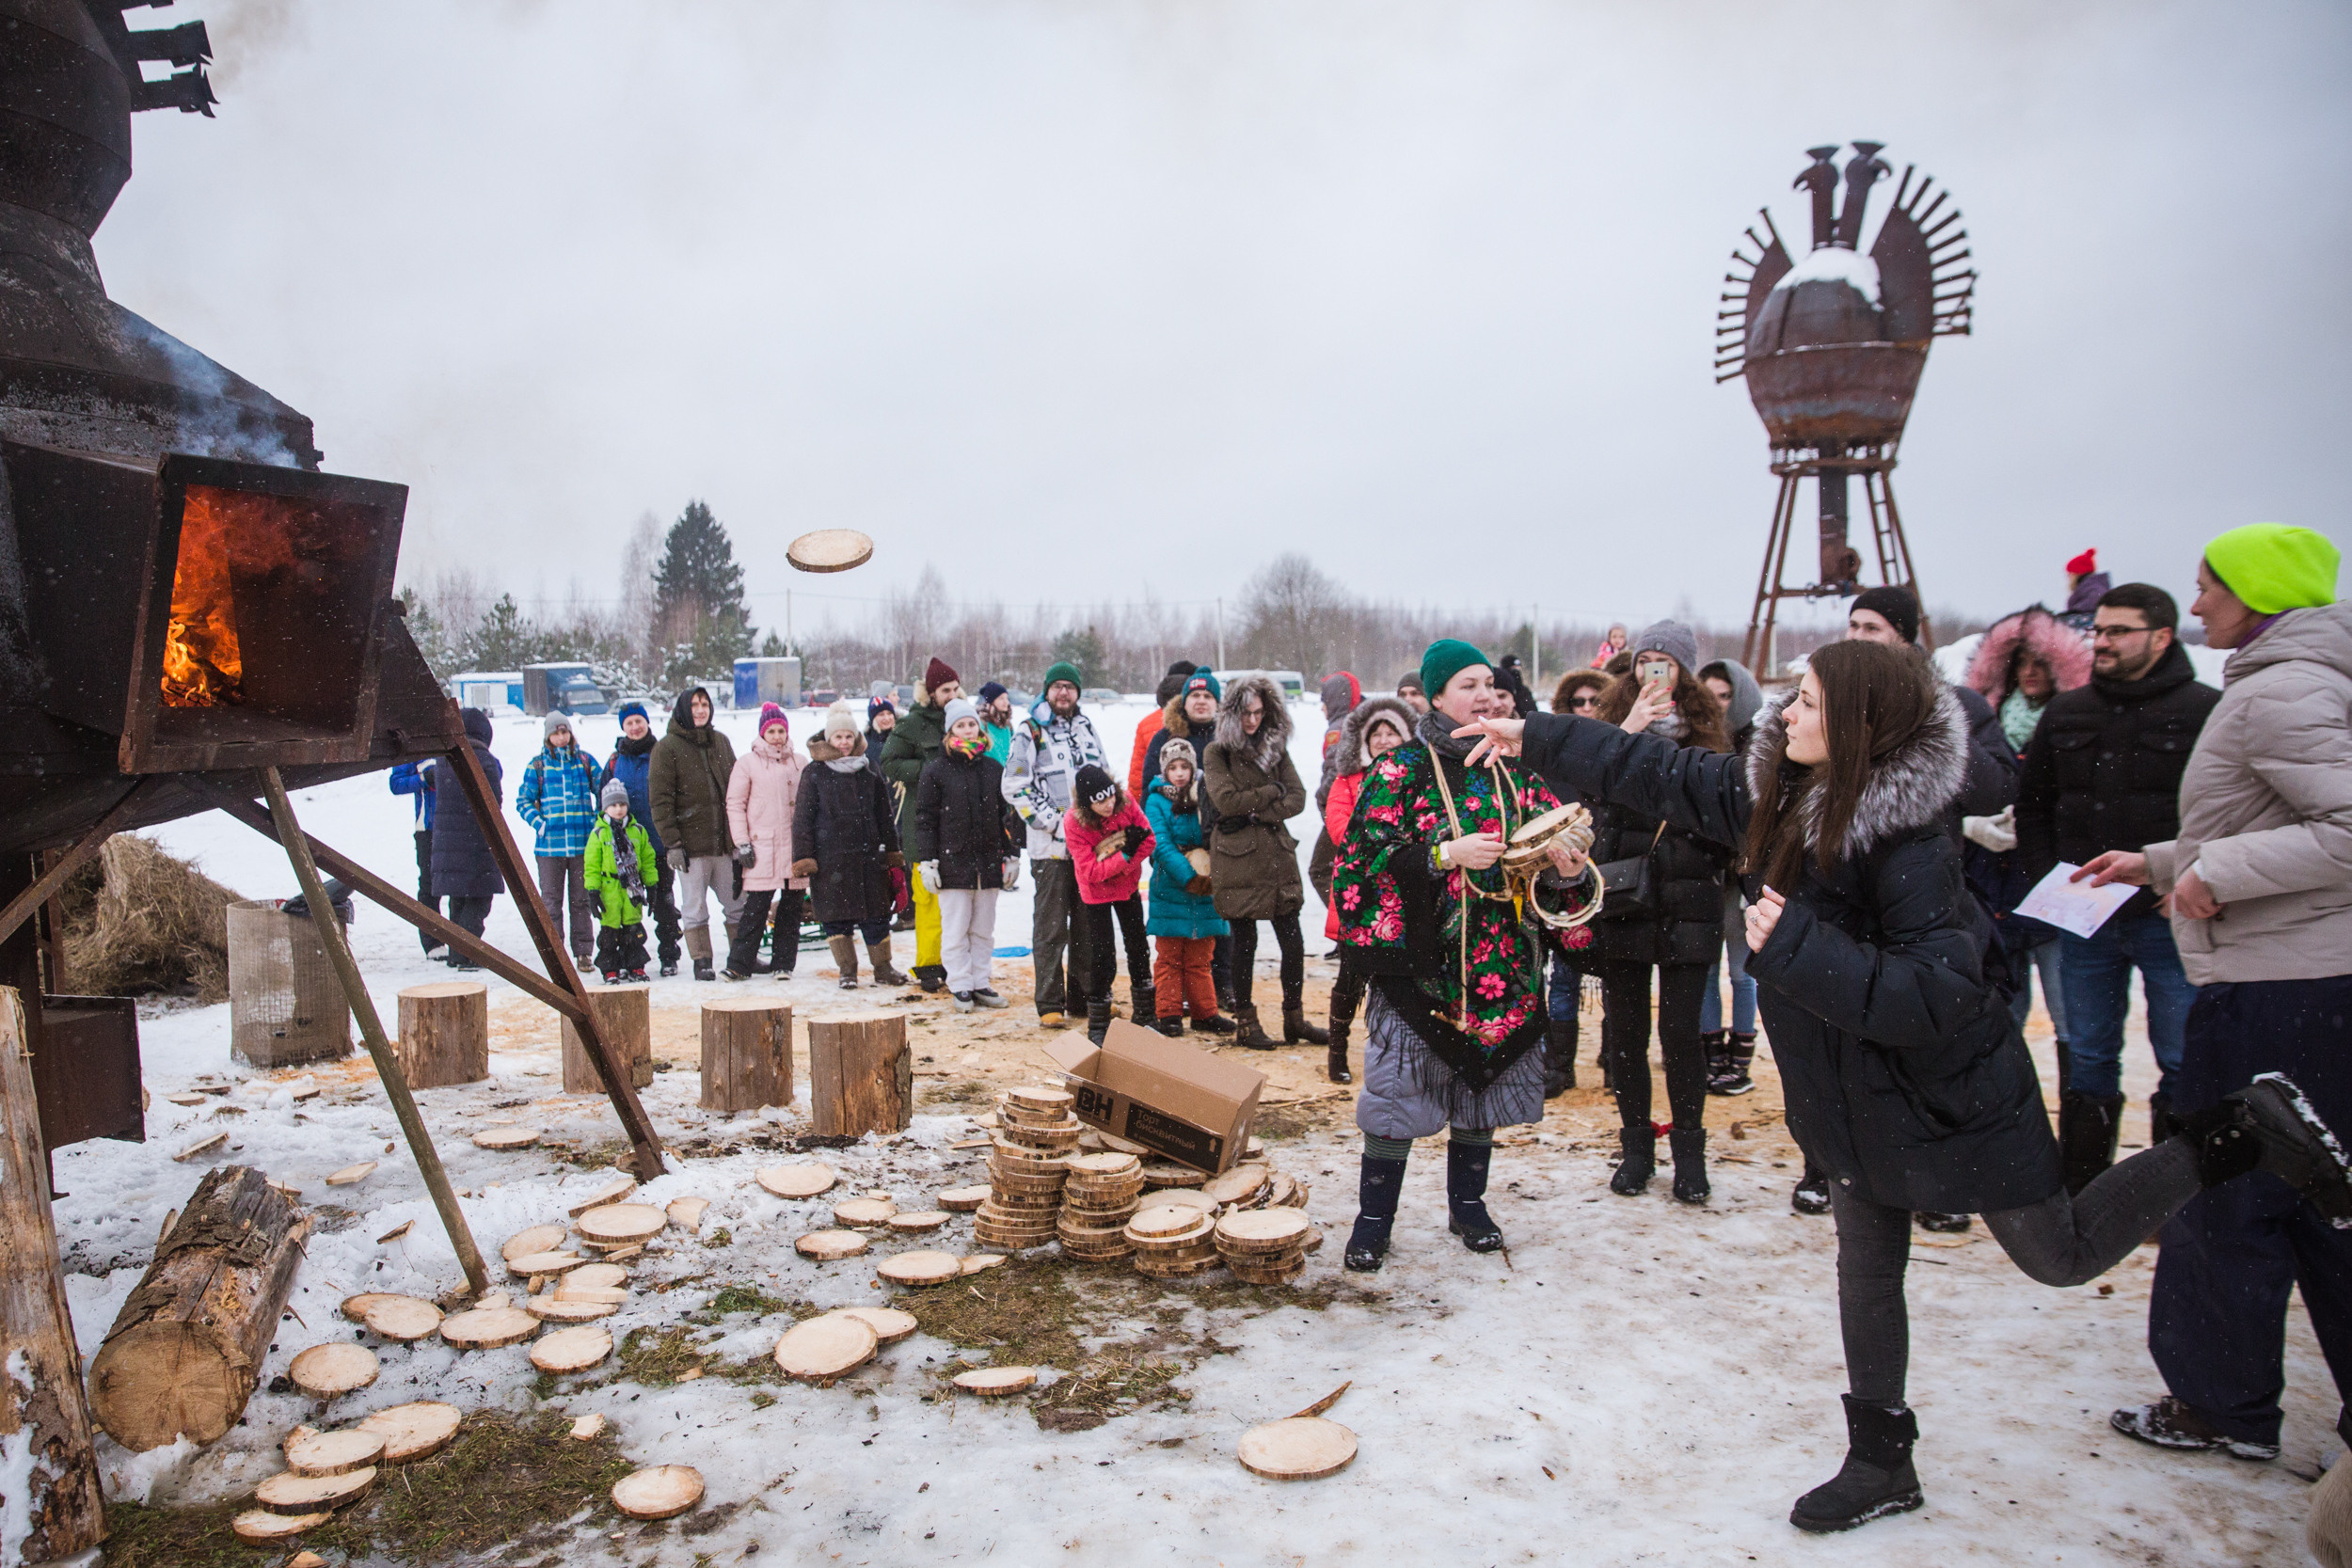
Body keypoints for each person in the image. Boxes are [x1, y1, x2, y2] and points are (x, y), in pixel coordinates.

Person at [1459, 636, 2352, 1533]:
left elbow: (1944, 991)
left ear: (1857, 723)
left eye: (1805, 701)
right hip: (1842, 1088)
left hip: (1946, 1093)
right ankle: (1881, 1458)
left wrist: (1798, 947)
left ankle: (2236, 1134)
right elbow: (1659, 769)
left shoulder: (1906, 839)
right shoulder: (1780, 788)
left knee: (2061, 1255)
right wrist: (1531, 732)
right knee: (1867, 1268)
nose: (1784, 714)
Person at [2072, 525, 2351, 1465]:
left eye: (2206, 587)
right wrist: (2156, 859)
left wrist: (2221, 867)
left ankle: (2218, 1401)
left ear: (2257, 591)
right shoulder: (2294, 683)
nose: (2195, 607)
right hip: (2303, 980)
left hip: (2276, 986)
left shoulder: (2283, 693)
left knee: (2224, 1186)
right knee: (2323, 1190)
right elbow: (2288, 818)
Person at [1330, 640, 1597, 1271]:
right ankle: (1374, 1218)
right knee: (1395, 1097)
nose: (1485, 695)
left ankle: (1468, 1204)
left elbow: (1551, 863)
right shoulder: (1399, 771)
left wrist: (1566, 867)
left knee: (1482, 1088)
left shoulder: (1518, 774)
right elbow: (1356, 866)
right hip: (1422, 971)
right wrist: (1441, 855)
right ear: (1437, 694)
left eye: (1491, 685)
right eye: (1467, 684)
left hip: (1501, 965)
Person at [2019, 585, 2214, 1185]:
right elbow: (2033, 808)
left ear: (2161, 637)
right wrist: (2050, 882)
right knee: (2089, 1055)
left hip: (2171, 917)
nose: (2101, 641)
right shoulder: (2068, 711)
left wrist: (2184, 878)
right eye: (2097, 630)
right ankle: (2086, 1191)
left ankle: (2173, 1192)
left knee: (2183, 1057)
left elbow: (2227, 815)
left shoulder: (2206, 710)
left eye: (2118, 631)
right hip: (2088, 917)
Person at [1841, 583, 2020, 1231]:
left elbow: (1996, 786)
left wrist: (1924, 723)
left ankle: (1942, 1180)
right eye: (1853, 626)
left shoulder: (1954, 704)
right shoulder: (1830, 706)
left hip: (1927, 898)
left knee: (1933, 1042)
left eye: (1874, 628)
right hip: (1849, 901)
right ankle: (1841, 1167)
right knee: (1854, 1043)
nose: (1860, 637)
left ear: (1906, 638)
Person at [1584, 621, 1733, 1203]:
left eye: (1665, 662)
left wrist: (1699, 841)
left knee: (1681, 1034)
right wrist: (1628, 734)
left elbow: (1729, 818)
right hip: (1627, 897)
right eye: (1645, 659)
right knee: (1626, 1033)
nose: (1653, 670)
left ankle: (1690, 1154)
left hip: (1691, 900)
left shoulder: (1709, 734)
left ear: (1684, 671)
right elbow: (1590, 805)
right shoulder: (1613, 726)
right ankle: (1636, 1148)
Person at [1203, 674, 1328, 1051]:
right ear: (1232, 713)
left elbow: (1299, 798)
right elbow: (1225, 801)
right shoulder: (1217, 752)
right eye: (1245, 713)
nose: (1252, 721)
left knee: (1292, 942)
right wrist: (1271, 792)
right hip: (1238, 860)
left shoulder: (1276, 748)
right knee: (1244, 943)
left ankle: (1295, 1020)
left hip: (1275, 856)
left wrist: (1257, 810)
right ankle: (1246, 1022)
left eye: (1259, 712)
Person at [1003, 661, 1106, 1026]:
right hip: (1051, 848)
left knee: (1087, 927)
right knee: (1050, 928)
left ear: (1077, 693)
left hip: (1089, 849)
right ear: (1047, 691)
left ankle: (1083, 998)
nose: (1064, 693)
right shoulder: (1029, 731)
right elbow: (1014, 784)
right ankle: (1049, 1003)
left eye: (1070, 687)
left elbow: (1104, 778)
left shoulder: (1086, 727)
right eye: (1057, 686)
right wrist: (1056, 823)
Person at [1320, 696, 1415, 1084]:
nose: (1385, 740)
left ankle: (1391, 1054)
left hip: (1403, 889)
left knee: (1397, 980)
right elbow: (1340, 828)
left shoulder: (1418, 779)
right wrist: (1388, 844)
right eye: (1378, 734)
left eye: (1392, 732)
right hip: (1358, 892)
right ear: (1365, 740)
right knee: (1350, 975)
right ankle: (1337, 1051)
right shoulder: (1346, 781)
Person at [914, 697, 1020, 1010]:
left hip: (987, 864)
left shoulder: (992, 768)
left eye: (972, 724)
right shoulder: (937, 771)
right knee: (956, 929)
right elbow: (925, 819)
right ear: (950, 732)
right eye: (961, 725)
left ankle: (981, 981)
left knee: (983, 929)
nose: (968, 730)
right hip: (952, 863)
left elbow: (1007, 817)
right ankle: (960, 983)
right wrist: (928, 862)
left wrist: (1011, 853)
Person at [792, 702, 905, 989]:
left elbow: (884, 815)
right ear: (829, 739)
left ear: (856, 738)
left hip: (868, 858)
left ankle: (883, 967)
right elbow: (803, 818)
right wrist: (804, 856)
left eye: (848, 737)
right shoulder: (814, 773)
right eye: (838, 737)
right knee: (836, 918)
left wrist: (891, 851)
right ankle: (847, 970)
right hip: (830, 859)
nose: (844, 743)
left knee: (876, 915)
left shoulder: (869, 770)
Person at [1697, 657, 1767, 1094]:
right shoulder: (1695, 742)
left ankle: (1740, 1061)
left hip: (1744, 876)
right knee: (1704, 970)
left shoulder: (1761, 749)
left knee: (1743, 973)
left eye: (1725, 695)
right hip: (1703, 873)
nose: (1718, 706)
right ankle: (1711, 1055)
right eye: (1709, 696)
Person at [1543, 670, 1613, 1093]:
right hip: (1565, 878)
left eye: (1594, 701)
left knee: (1617, 978)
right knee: (1564, 975)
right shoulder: (1556, 758)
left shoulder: (1618, 755)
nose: (1585, 708)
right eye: (1577, 702)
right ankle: (1559, 1066)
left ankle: (1615, 1059)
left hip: (1615, 878)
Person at [649, 686, 745, 981]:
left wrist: (740, 837)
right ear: (682, 709)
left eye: (705, 704)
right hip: (691, 847)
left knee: (738, 903)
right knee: (694, 906)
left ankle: (742, 956)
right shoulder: (667, 748)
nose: (701, 709)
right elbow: (661, 800)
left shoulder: (721, 742)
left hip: (725, 844)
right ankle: (701, 959)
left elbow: (737, 790)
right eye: (694, 705)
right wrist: (673, 844)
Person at [882, 657, 962, 992]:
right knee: (928, 899)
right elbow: (889, 761)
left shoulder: (962, 719)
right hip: (922, 824)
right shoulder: (913, 724)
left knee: (957, 901)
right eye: (946, 690)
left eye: (956, 688)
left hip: (958, 825)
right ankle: (929, 965)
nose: (953, 694)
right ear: (931, 693)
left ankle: (956, 961)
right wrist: (929, 772)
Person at [1142, 737, 1232, 1037]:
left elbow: (1217, 831)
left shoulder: (1207, 794)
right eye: (1173, 767)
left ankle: (1204, 1012)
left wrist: (1212, 871)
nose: (1180, 773)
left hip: (1208, 885)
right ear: (1164, 771)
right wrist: (1189, 877)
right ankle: (1168, 1013)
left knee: (1200, 957)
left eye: (1185, 767)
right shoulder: (1156, 800)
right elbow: (1160, 843)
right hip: (1171, 887)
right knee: (1169, 957)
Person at [1064, 763, 1156, 1042]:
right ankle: (1099, 1023)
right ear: (1086, 804)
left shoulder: (1125, 802)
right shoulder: (1073, 821)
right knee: (1101, 954)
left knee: (1138, 946)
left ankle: (1145, 1015)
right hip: (1095, 894)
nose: (1108, 804)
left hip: (1127, 887)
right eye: (1099, 801)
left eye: (1110, 796)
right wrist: (1126, 855)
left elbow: (1149, 840)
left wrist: (1122, 864)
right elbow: (1090, 872)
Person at [723, 702, 810, 982]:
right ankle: (739, 964)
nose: (776, 736)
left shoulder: (800, 762)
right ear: (762, 733)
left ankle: (783, 963)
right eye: (770, 731)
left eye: (780, 730)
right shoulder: (747, 763)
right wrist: (742, 843)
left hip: (795, 849)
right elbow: (735, 804)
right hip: (762, 847)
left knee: (792, 907)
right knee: (756, 908)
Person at [602, 701, 683, 976]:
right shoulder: (615, 761)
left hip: (659, 844)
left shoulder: (663, 753)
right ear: (623, 727)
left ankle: (669, 955)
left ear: (647, 723)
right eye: (629, 723)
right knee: (627, 907)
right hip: (626, 849)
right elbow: (603, 802)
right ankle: (629, 958)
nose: (635, 727)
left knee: (664, 904)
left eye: (639, 721)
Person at [516, 712, 601, 968]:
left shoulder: (584, 761)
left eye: (565, 732)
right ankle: (555, 954)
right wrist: (540, 824)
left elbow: (604, 790)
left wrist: (596, 822)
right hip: (549, 848)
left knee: (581, 900)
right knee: (551, 903)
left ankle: (584, 952)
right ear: (548, 736)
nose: (561, 737)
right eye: (556, 733)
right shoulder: (537, 766)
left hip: (581, 846)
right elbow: (523, 801)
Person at [431, 708, 504, 965]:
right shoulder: (484, 759)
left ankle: (456, 953)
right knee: (479, 899)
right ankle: (468, 954)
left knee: (458, 899)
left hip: (447, 844)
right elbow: (495, 803)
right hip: (477, 843)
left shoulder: (444, 760)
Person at [583, 779, 658, 983]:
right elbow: (591, 866)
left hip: (632, 890)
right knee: (609, 935)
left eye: (622, 804)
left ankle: (635, 966)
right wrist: (593, 891)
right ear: (605, 807)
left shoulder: (638, 831)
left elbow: (648, 860)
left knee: (633, 933)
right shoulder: (599, 834)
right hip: (609, 890)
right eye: (613, 805)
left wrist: (651, 885)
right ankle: (610, 968)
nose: (618, 809)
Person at [389, 758, 441, 957]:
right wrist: (424, 778)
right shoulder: (416, 748)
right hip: (426, 828)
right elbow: (396, 783)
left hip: (455, 827)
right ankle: (433, 942)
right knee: (429, 885)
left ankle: (460, 940)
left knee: (458, 885)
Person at [1127, 661, 1198, 797]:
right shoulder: (1199, 721)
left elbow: (1137, 775)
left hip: (1160, 804)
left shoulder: (1146, 723)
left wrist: (1139, 810)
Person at [2059, 547, 2113, 631]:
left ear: (2076, 574)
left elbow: (2095, 601)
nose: (2068, 578)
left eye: (2069, 574)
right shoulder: (2089, 587)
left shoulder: (2093, 588)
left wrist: (2073, 613)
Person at [976, 681, 1014, 764]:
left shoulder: (1008, 725)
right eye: (1001, 698)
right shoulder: (981, 724)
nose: (1006, 702)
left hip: (1007, 774)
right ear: (991, 701)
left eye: (1006, 698)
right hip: (988, 773)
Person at [1493, 654, 1536, 719]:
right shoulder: (1496, 685)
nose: (1497, 704)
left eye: (1518, 670)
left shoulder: (1524, 692)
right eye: (1513, 670)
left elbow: (1533, 714)